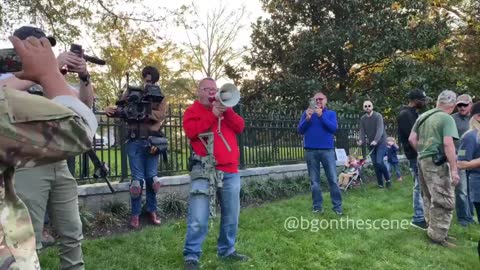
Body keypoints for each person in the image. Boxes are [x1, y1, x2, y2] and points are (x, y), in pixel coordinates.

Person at [0, 35, 96, 269]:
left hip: (60, 164)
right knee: (24, 237)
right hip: (26, 166)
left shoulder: (50, 78)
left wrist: (84, 78)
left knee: (72, 232)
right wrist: (46, 72)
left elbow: (84, 107)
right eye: (40, 47)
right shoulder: (7, 77)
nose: (46, 54)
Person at [182, 78, 248, 270]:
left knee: (231, 215)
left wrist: (226, 111)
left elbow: (240, 127)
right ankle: (191, 255)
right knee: (198, 215)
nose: (212, 92)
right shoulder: (192, 111)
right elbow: (192, 132)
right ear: (199, 91)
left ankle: (227, 250)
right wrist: (212, 115)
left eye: (214, 89)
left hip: (229, 170)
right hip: (203, 169)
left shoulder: (226, 109)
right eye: (207, 89)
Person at [105, 66, 168, 229]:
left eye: (151, 79)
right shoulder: (133, 92)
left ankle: (152, 211)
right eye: (146, 78)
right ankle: (135, 214)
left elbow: (161, 115)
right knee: (136, 182)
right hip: (134, 141)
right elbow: (120, 109)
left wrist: (144, 112)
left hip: (152, 141)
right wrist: (110, 110)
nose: (148, 81)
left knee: (152, 179)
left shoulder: (160, 97)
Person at [409, 90, 460, 248]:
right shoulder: (446, 118)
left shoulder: (423, 116)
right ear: (452, 106)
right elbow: (448, 144)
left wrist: (423, 152)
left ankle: (434, 231)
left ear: (438, 101)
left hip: (422, 160)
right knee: (444, 199)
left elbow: (412, 138)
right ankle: (438, 237)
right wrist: (454, 170)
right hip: (436, 163)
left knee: (429, 197)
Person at [297, 92, 342, 214]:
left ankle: (337, 207)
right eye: (315, 99)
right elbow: (300, 130)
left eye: (320, 99)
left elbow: (333, 129)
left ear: (325, 100)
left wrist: (321, 116)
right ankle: (317, 207)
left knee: (332, 179)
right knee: (314, 181)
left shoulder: (331, 114)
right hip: (310, 151)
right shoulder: (307, 113)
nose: (318, 101)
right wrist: (307, 119)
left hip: (327, 151)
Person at [397, 89, 428, 230]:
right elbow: (412, 138)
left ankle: (423, 215)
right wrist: (421, 152)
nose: (424, 102)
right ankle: (418, 218)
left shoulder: (414, 114)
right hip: (415, 155)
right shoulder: (405, 115)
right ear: (415, 100)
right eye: (422, 100)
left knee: (421, 186)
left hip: (418, 154)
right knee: (418, 186)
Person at [452, 94, 475, 226]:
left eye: (464, 105)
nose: (461, 107)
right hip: (458, 157)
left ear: (470, 105)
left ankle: (470, 215)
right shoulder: (452, 119)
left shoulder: (475, 119)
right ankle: (462, 218)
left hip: (473, 160)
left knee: (471, 189)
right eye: (459, 105)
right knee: (461, 190)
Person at [358, 100, 391, 188]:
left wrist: (376, 140)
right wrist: (361, 140)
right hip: (371, 144)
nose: (367, 107)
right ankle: (380, 184)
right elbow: (362, 131)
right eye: (365, 106)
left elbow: (380, 129)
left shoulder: (378, 116)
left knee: (379, 162)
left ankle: (388, 180)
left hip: (381, 142)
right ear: (363, 108)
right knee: (375, 164)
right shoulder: (363, 119)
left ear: (372, 106)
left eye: (369, 105)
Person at [457, 101, 480, 223]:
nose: (462, 107)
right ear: (478, 117)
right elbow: (460, 163)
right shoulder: (470, 137)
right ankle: (464, 218)